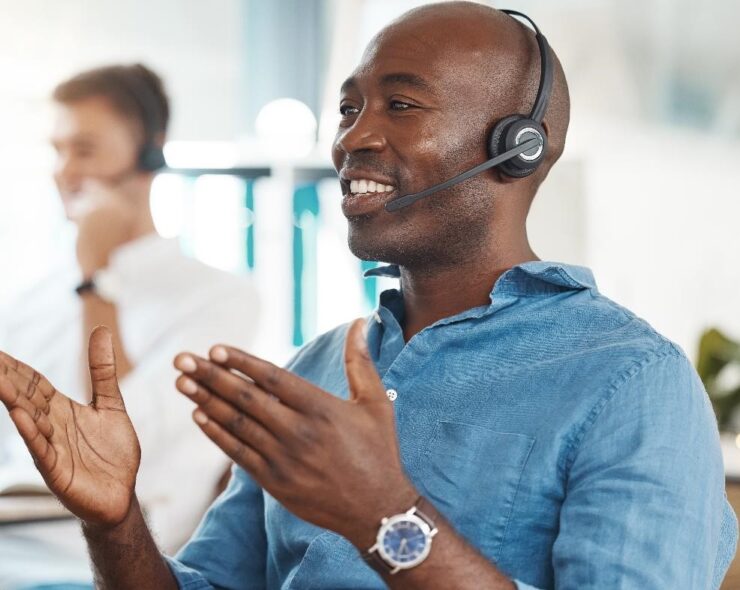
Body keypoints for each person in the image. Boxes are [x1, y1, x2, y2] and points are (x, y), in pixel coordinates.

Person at [0, 3, 736, 589]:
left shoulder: (634, 385)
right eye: (350, 108)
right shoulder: (319, 364)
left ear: (520, 145)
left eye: (401, 105)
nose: (353, 138)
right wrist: (114, 519)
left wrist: (385, 516)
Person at [0, 64, 259, 588]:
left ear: (148, 152)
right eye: (58, 150)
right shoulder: (29, 299)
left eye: (86, 150)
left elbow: (112, 441)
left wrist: (97, 276)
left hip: (84, 563)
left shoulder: (220, 298)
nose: (64, 172)